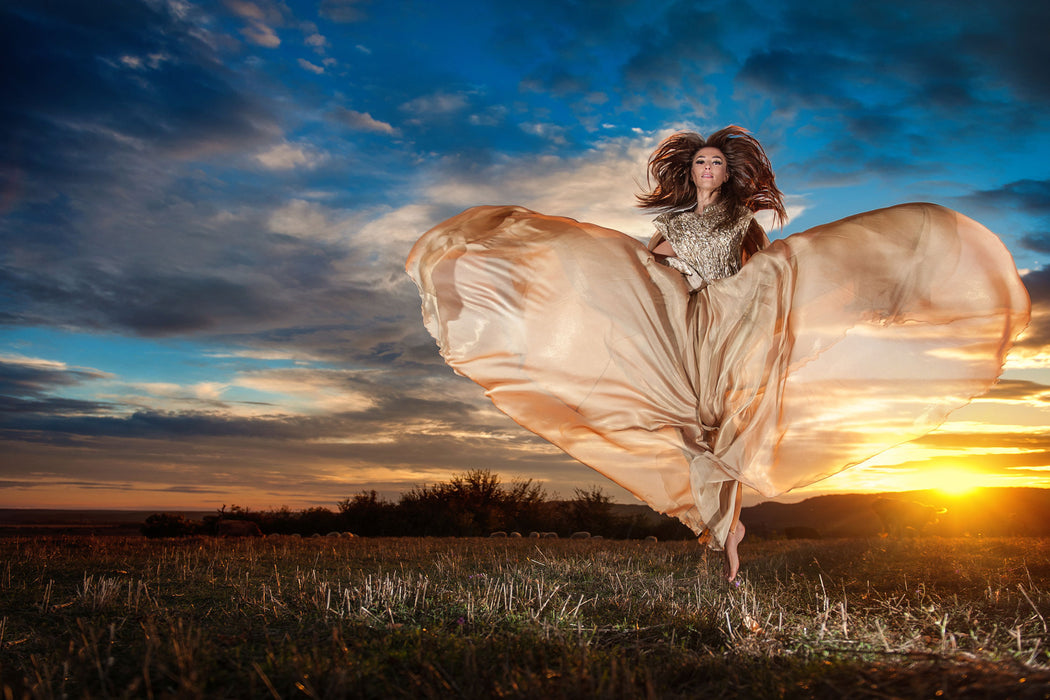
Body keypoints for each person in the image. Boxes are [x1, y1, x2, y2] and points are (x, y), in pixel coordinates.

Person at [406, 126, 1030, 583]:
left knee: (728, 425)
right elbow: (644, 264)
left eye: (714, 163)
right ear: (690, 171)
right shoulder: (674, 224)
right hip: (684, 320)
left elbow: (761, 269)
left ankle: (730, 540)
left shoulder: (740, 216)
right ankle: (719, 524)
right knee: (684, 422)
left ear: (727, 172)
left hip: (731, 322)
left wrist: (768, 295)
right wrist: (637, 277)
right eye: (699, 162)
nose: (707, 169)